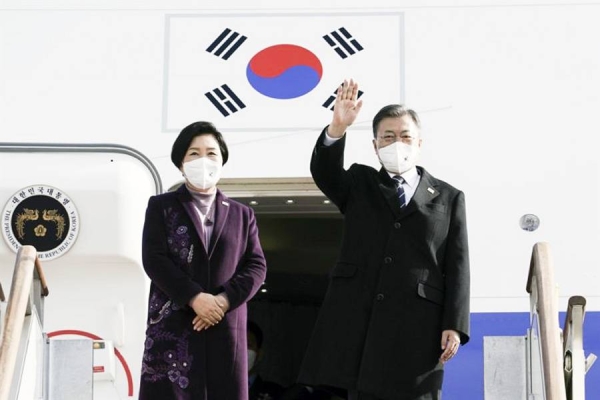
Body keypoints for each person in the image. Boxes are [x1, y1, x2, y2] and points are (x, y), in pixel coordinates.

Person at [298, 80, 470, 400]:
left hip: (420, 326)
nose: (397, 142)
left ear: (419, 142)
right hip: (362, 325)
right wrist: (337, 127)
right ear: (376, 145)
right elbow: (325, 171)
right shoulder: (358, 183)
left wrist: (455, 324)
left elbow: (458, 265)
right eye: (387, 136)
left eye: (405, 136)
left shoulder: (449, 196)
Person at [138, 121, 267, 399]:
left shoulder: (242, 214)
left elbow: (256, 266)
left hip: (224, 328)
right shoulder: (161, 206)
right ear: (181, 163)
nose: (203, 160)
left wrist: (222, 300)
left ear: (222, 161)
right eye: (193, 154)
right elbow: (154, 258)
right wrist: (195, 298)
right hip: (174, 328)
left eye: (211, 153)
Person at [247, 320, 284, 400]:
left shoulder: (276, 393)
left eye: (248, 345)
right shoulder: (215, 385)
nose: (240, 350)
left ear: (259, 354)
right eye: (235, 344)